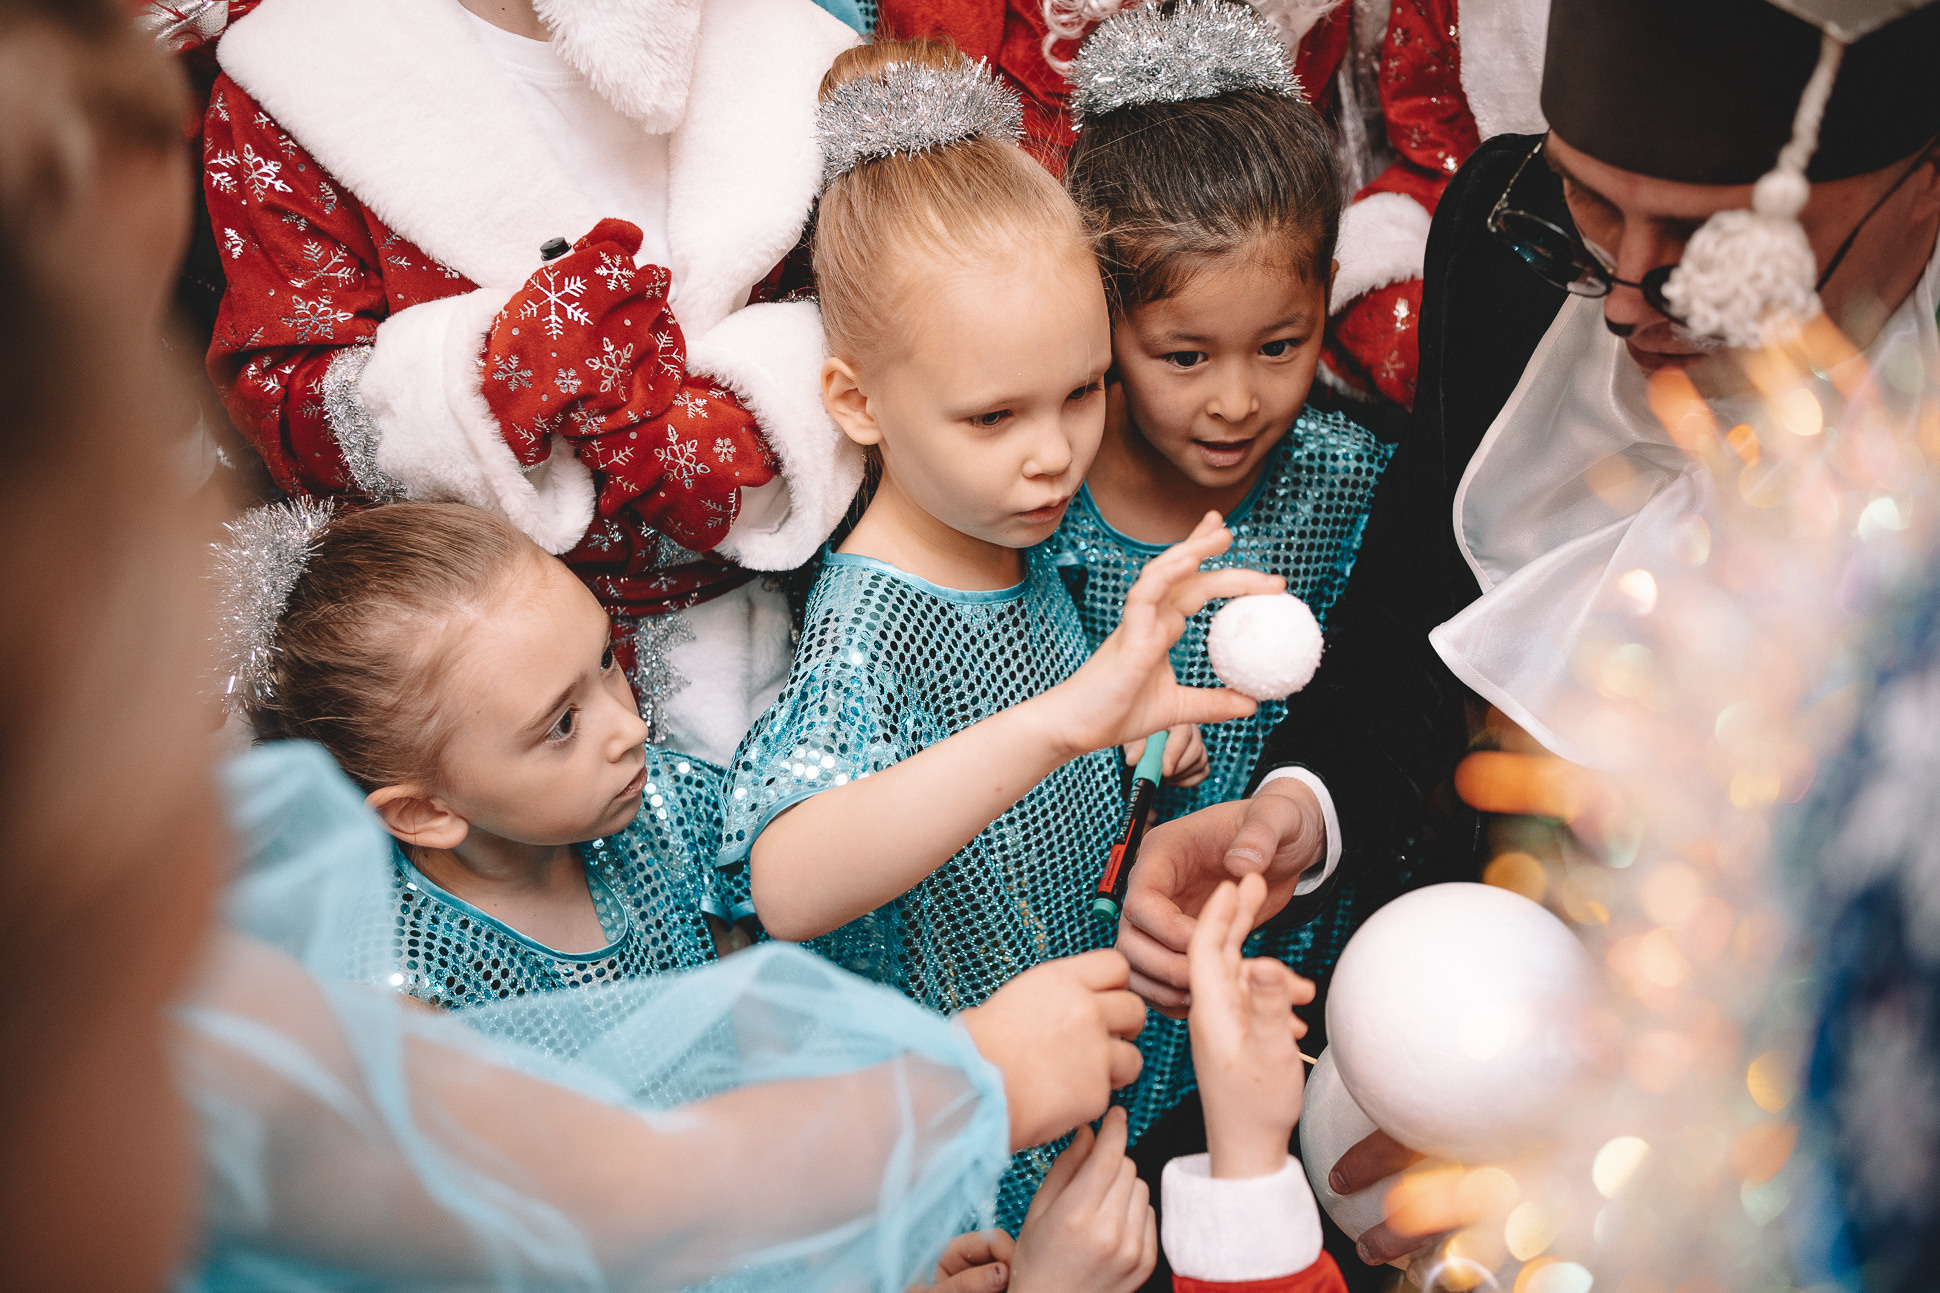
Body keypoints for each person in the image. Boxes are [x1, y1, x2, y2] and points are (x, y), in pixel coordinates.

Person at [1118, 0, 1940, 1272]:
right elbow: (1415, 607)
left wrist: (1606, 1139)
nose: (1618, 302)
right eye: (1588, 210)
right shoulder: (1507, 251)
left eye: (1704, 248)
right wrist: (1301, 805)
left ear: (1918, 192)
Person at [717, 41, 1284, 1226]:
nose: (1052, 453)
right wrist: (1062, 724)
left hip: (1097, 1116)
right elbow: (787, 878)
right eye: (993, 416)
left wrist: (1126, 758)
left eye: (1081, 392)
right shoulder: (871, 625)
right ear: (855, 402)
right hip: (974, 1181)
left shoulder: (1023, 544)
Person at [197, 0, 867, 767]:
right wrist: (488, 376)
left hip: (830, 636)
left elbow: (890, 289)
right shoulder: (291, 74)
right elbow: (285, 391)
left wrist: (756, 412)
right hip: (490, 706)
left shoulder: (794, 42)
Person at [1050, 2, 1392, 833]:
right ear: (1106, 314)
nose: (1237, 403)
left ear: (1326, 291)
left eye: (1280, 345)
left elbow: (1384, 711)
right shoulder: (1043, 496)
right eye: (1186, 357)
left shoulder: (1355, 481)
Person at [872, 0, 1555, 411]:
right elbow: (925, 171)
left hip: (1257, 273)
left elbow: (1424, 142)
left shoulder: (1341, 475)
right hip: (1027, 317)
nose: (1235, 405)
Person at [214, 499, 736, 989]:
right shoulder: (411, 985)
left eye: (605, 660)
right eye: (562, 725)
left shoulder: (680, 807)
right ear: (424, 811)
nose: (632, 730)